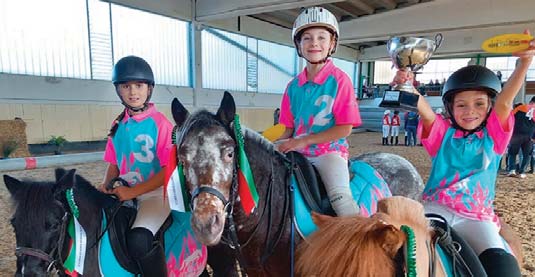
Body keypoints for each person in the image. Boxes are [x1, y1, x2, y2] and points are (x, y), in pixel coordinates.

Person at [392, 31, 535, 277]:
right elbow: (425, 110)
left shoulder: (494, 137)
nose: (470, 111)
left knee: (504, 268)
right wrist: (406, 84)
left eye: (479, 104)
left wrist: (524, 64)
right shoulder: (442, 135)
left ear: (489, 107)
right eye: (461, 105)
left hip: (477, 217)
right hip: (435, 209)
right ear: (451, 108)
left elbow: (504, 103)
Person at [277, 7, 361, 216]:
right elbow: (286, 128)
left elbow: (344, 128)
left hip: (328, 153)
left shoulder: (340, 80)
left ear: (332, 44)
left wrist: (303, 141)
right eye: (307, 38)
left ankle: (359, 234)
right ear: (299, 45)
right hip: (297, 151)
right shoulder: (293, 86)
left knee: (341, 200)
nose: (314, 43)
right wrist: (261, 139)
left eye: (321, 37)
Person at [99, 55, 172, 276]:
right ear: (118, 90)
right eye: (126, 86)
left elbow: (168, 170)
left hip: (155, 195)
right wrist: (106, 185)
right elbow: (113, 162)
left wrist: (132, 192)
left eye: (138, 86)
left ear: (149, 89)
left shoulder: (161, 124)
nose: (133, 92)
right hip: (124, 192)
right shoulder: (118, 124)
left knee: (139, 240)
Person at [506, 96, 535, 178]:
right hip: (529, 136)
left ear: (531, 101)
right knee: (527, 154)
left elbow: (510, 118)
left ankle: (512, 170)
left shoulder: (520, 107)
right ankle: (522, 172)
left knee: (512, 153)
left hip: (516, 134)